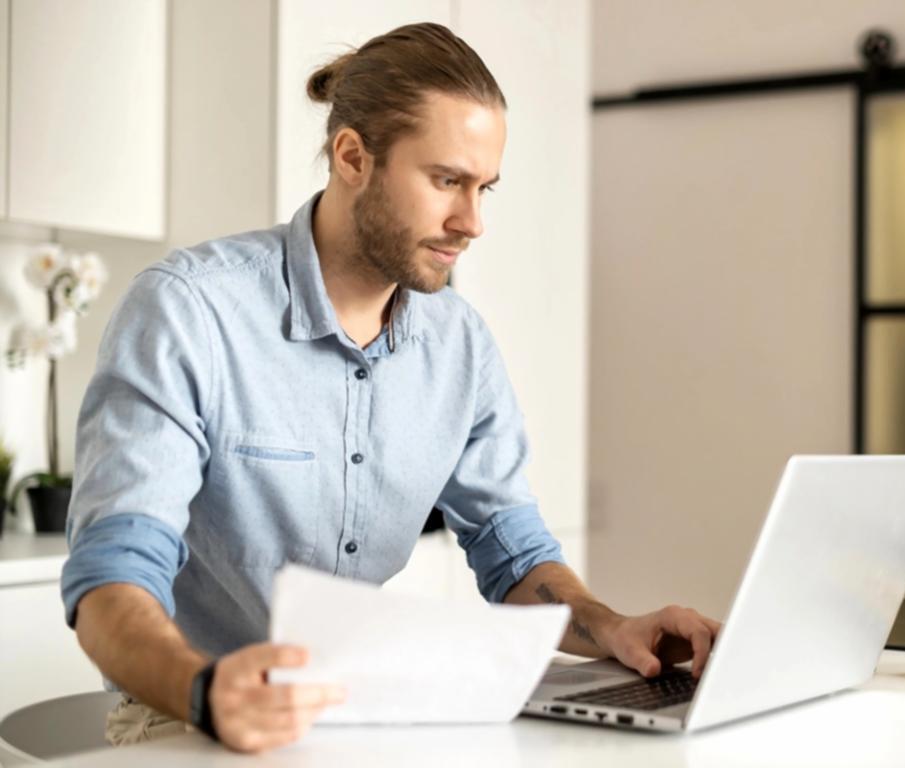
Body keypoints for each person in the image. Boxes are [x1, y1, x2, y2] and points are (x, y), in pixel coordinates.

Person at [61, 22, 721, 754]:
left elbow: (510, 549)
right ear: (352, 156)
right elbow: (111, 575)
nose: (471, 222)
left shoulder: (458, 344)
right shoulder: (191, 311)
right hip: (184, 717)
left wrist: (612, 628)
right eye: (446, 181)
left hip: (357, 713)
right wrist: (204, 692)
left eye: (483, 188)